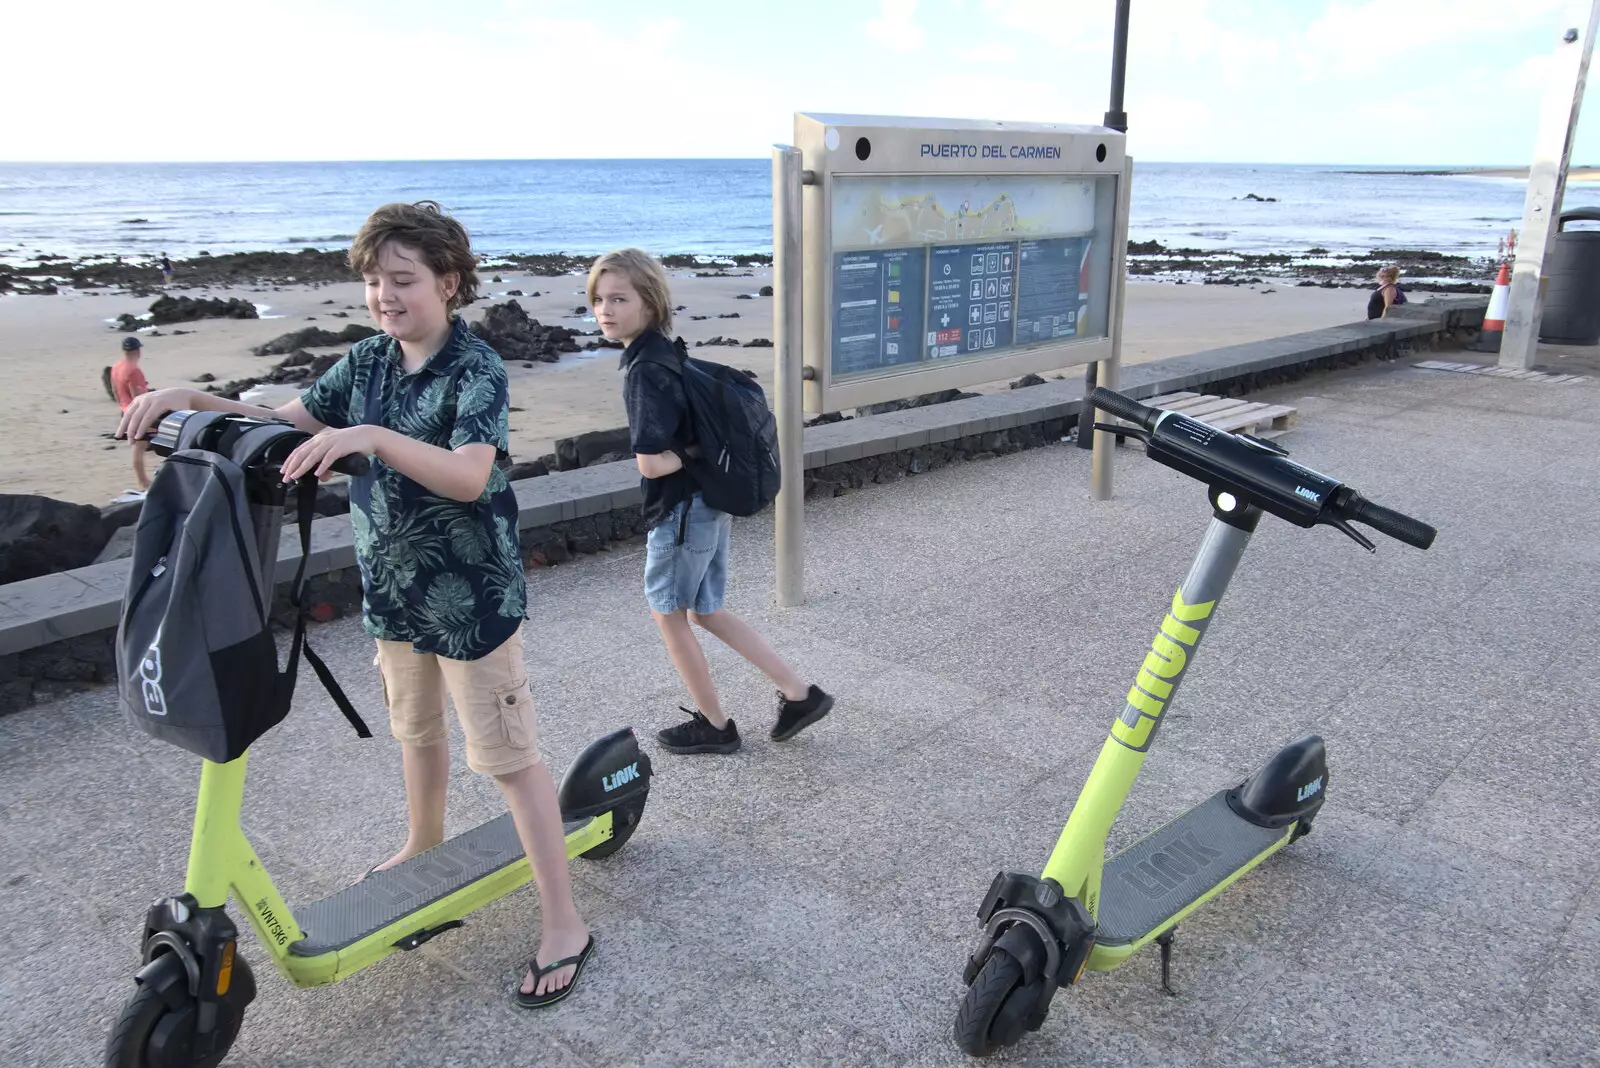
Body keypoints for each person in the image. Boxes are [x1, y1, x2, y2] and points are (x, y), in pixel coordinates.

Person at [117, 200, 593, 1008]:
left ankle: (565, 923)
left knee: (509, 760)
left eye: (402, 280)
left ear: (448, 282)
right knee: (416, 734)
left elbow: (471, 473)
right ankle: (423, 843)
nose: (384, 296)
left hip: (470, 599)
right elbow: (284, 420)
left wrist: (371, 439)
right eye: (374, 281)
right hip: (394, 591)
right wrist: (199, 396)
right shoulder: (367, 362)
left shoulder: (476, 368)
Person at [588, 248, 833, 755]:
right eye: (597, 299)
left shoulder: (643, 370)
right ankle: (800, 693)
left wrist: (696, 453)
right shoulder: (666, 352)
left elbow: (651, 464)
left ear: (650, 303)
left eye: (618, 298)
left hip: (679, 513)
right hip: (707, 505)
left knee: (669, 616)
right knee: (706, 611)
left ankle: (714, 725)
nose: (604, 310)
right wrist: (705, 454)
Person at [110, 335, 153, 492]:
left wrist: (123, 407)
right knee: (139, 448)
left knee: (139, 446)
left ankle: (144, 480)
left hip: (125, 410)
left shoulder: (116, 367)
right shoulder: (134, 371)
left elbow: (115, 391)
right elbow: (137, 395)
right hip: (137, 412)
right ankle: (143, 482)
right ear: (137, 351)